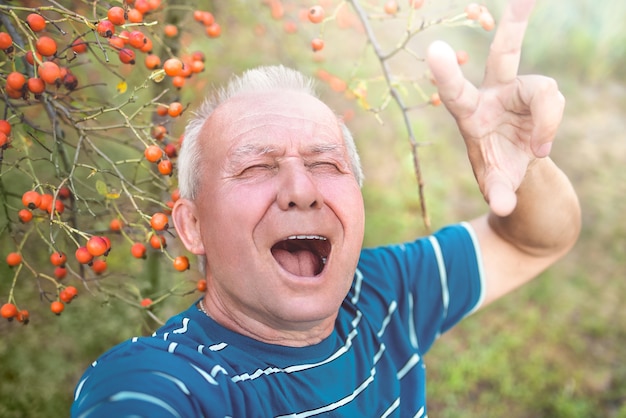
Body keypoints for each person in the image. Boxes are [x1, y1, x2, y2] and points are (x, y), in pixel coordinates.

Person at [71, 0, 581, 416]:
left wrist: (528, 166)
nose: (301, 189)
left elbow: (532, 239)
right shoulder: (174, 383)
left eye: (326, 164)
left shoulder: (382, 295)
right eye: (256, 168)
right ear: (192, 225)